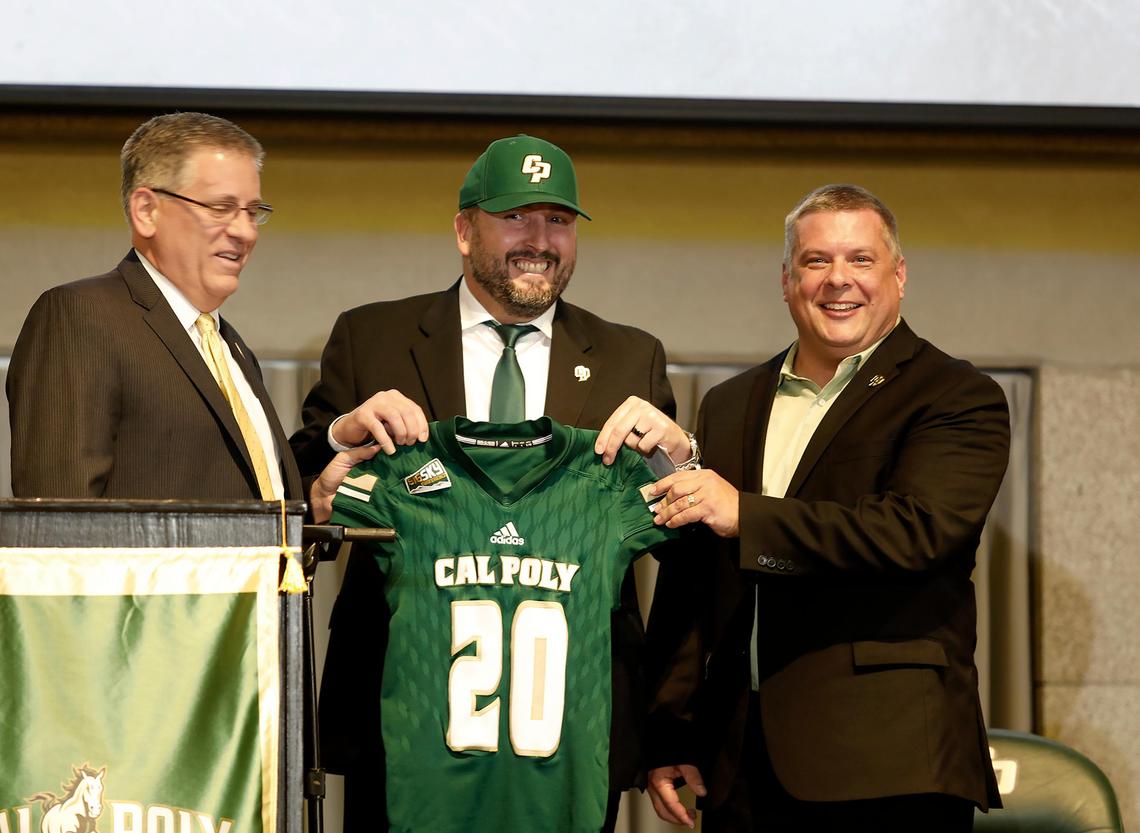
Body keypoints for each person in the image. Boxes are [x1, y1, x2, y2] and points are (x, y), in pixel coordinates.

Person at [288, 134, 696, 831]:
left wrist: (682, 465)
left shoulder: (632, 357)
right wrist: (331, 448)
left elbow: (682, 552)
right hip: (403, 720)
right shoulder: (372, 337)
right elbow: (300, 491)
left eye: (559, 221)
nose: (540, 239)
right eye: (516, 217)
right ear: (463, 228)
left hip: (567, 726)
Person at [643, 184, 1010, 832]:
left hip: (886, 766)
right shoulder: (730, 403)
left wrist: (747, 515)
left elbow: (916, 532)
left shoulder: (957, 395)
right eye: (816, 261)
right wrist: (672, 730)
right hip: (739, 768)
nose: (838, 279)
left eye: (860, 260)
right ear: (787, 280)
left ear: (898, 276)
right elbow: (695, 578)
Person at [7, 111, 364, 517]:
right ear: (146, 210)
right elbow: (62, 526)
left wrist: (311, 503)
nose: (246, 232)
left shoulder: (230, 346)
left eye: (253, 211)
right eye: (221, 208)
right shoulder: (81, 316)